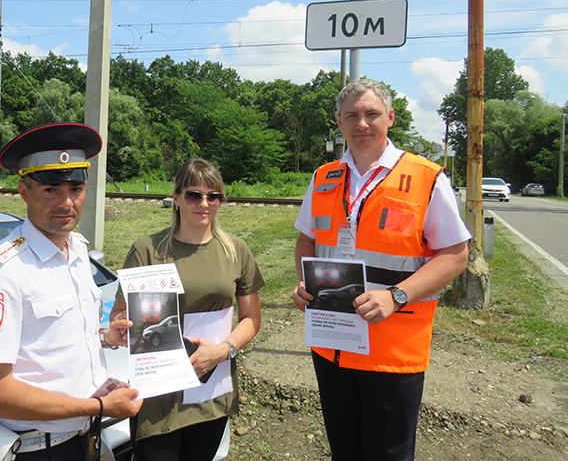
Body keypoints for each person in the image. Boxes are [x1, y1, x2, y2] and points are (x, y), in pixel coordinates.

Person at [292, 79, 471, 461]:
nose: (362, 124)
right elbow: (307, 241)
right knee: (344, 449)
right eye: (351, 116)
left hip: (393, 350)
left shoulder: (427, 178)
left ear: (390, 118)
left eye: (371, 114)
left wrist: (396, 296)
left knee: (387, 454)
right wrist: (303, 285)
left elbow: (455, 255)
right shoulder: (323, 177)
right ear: (338, 123)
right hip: (333, 346)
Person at [0, 122, 142, 461]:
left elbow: (49, 342)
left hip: (83, 437)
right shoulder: (1, 272)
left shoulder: (75, 250)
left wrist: (104, 337)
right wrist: (100, 405)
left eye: (76, 188)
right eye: (51, 190)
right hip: (39, 449)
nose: (66, 202)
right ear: (24, 191)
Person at [110, 158, 263, 461]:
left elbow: (251, 318)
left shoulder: (236, 250)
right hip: (158, 396)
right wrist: (123, 328)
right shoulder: (147, 250)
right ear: (177, 198)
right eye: (194, 195)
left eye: (214, 196)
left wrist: (225, 349)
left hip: (210, 387)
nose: (204, 203)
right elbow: (119, 314)